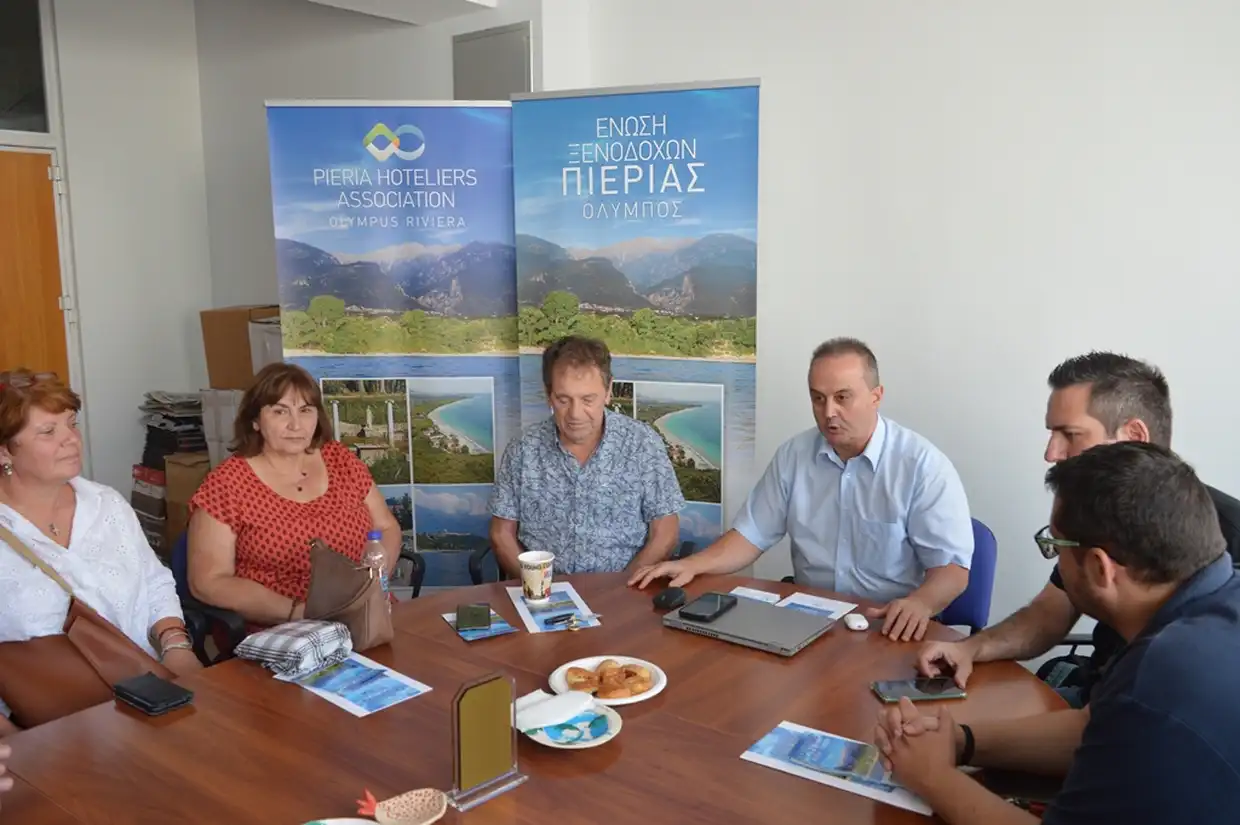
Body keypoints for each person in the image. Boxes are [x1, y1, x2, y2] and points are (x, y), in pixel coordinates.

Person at [877, 441, 1240, 825]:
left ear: (1100, 569)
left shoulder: (1161, 682)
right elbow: (1092, 728)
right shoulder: (1214, 605)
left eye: (1054, 546)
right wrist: (960, 740)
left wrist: (932, 777)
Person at [917, 352, 1240, 706]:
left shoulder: (1229, 534)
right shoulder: (1094, 515)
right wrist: (970, 648)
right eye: (1051, 434)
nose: (1051, 453)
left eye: (1069, 434)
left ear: (1134, 435)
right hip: (1096, 701)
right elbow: (1049, 613)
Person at [631, 338, 974, 641]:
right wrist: (693, 564)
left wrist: (921, 603)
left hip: (885, 625)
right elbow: (751, 535)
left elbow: (952, 570)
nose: (829, 412)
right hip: (811, 621)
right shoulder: (794, 455)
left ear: (876, 396)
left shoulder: (922, 466)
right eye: (818, 399)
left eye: (842, 397)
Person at [0, 370, 200, 728]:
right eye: (48, 431)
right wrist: (13, 739)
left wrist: (176, 647)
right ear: (4, 450)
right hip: (46, 725)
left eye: (71, 424)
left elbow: (154, 582)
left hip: (148, 698)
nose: (71, 439)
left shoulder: (106, 504)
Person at [187, 364, 400, 626]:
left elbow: (386, 527)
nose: (295, 425)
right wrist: (302, 612)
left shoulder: (340, 459)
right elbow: (208, 582)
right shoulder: (227, 484)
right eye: (280, 411)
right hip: (285, 626)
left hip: (365, 612)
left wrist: (374, 586)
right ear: (255, 420)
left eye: (305, 410)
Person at [489, 336, 685, 575]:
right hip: (543, 589)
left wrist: (622, 586)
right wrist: (538, 585)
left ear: (608, 391)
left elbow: (665, 532)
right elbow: (501, 534)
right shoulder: (523, 449)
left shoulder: (642, 444)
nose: (576, 414)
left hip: (623, 588)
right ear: (548, 394)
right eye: (563, 400)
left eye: (588, 400)